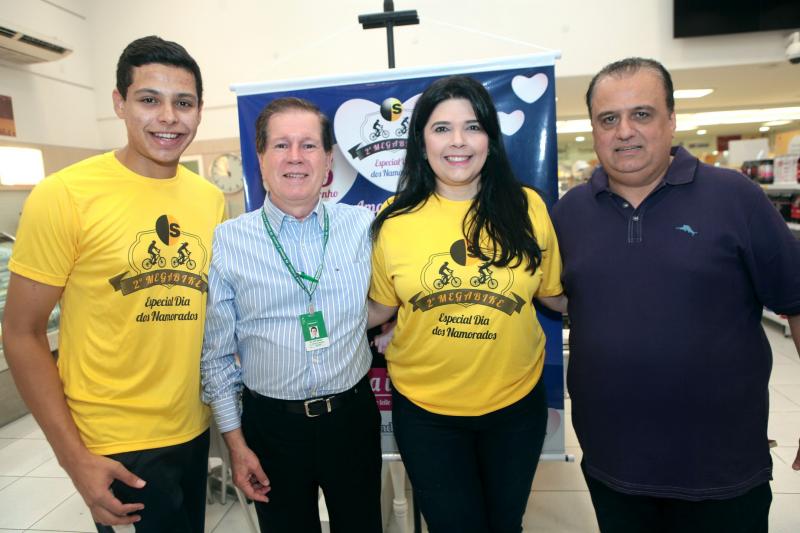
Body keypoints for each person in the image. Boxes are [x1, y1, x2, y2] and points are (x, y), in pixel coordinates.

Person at [551, 57, 800, 533]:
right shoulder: (568, 213)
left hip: (722, 470)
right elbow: (560, 297)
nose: (625, 131)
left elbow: (796, 300)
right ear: (594, 129)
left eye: (642, 114)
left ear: (671, 120)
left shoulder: (736, 198)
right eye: (609, 118)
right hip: (612, 465)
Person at [1, 36, 224, 531]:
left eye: (183, 103)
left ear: (199, 111)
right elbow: (21, 333)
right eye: (149, 99)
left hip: (192, 426)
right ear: (119, 103)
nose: (168, 117)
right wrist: (73, 458)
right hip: (114, 441)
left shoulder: (209, 200)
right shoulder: (64, 195)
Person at [368, 75, 566, 533]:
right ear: (421, 143)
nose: (458, 141)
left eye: (472, 126)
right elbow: (379, 308)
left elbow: (554, 294)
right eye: (441, 128)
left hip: (515, 406)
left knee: (505, 524)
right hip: (426, 413)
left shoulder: (528, 207)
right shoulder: (394, 219)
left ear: (490, 140)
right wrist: (306, 319)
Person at [201, 97, 382, 533]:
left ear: (328, 161)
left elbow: (394, 299)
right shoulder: (228, 241)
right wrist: (236, 444)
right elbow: (216, 356)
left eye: (308, 145)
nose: (295, 157)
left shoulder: (364, 229)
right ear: (261, 159)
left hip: (352, 420)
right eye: (281, 145)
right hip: (271, 430)